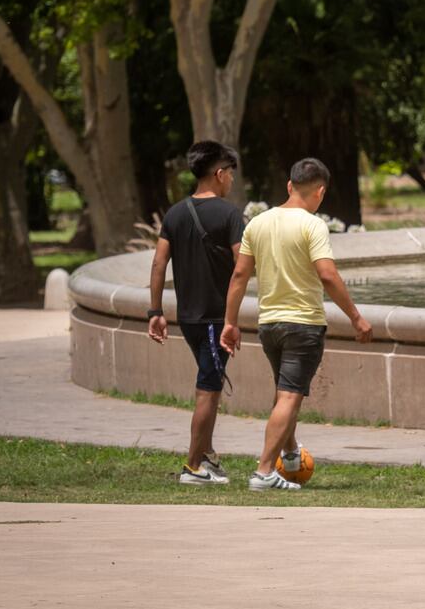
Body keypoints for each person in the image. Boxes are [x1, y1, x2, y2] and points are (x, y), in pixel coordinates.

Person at [220, 157, 373, 491]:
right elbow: (327, 274)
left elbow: (240, 275)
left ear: (290, 186)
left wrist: (230, 322)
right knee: (289, 397)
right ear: (320, 192)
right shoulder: (312, 225)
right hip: (303, 324)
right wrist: (356, 318)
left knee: (283, 394)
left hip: (269, 324)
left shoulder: (257, 224)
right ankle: (263, 472)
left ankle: (289, 455)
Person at [148, 141, 245, 485]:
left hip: (188, 318)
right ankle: (193, 467)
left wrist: (155, 310)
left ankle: (207, 456)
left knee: (210, 383)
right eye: (230, 173)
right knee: (208, 390)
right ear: (219, 174)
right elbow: (241, 267)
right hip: (213, 319)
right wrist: (232, 319)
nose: (232, 179)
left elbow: (159, 262)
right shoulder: (230, 214)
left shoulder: (175, 213)